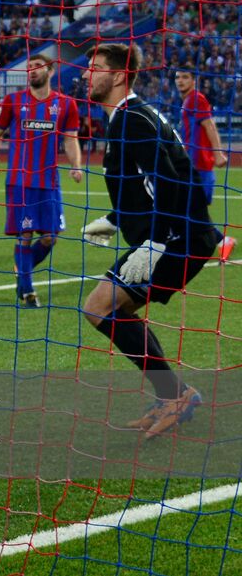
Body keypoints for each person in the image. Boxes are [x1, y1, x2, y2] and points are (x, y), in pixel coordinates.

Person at [78, 43, 224, 438]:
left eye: (96, 68)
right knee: (104, 307)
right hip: (180, 234)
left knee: (99, 307)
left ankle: (176, 395)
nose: (86, 75)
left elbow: (171, 179)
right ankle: (173, 395)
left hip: (179, 237)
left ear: (120, 75)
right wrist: (114, 219)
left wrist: (156, 242)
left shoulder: (132, 119)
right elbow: (147, 183)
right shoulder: (129, 116)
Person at [0, 55, 84, 307]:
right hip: (19, 180)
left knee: (50, 237)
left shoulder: (66, 104)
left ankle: (21, 268)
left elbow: (70, 139)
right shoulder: (12, 101)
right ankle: (27, 291)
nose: (31, 71)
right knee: (24, 234)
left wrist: (76, 166)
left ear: (50, 70)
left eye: (37, 67)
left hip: (49, 182)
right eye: (28, 68)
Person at [174, 70, 236, 259]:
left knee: (188, 207)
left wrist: (218, 154)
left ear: (194, 80)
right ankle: (217, 241)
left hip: (200, 164)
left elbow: (209, 125)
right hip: (192, 164)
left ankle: (221, 241)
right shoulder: (187, 101)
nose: (180, 81)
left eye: (185, 77)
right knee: (187, 207)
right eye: (177, 77)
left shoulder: (196, 98)